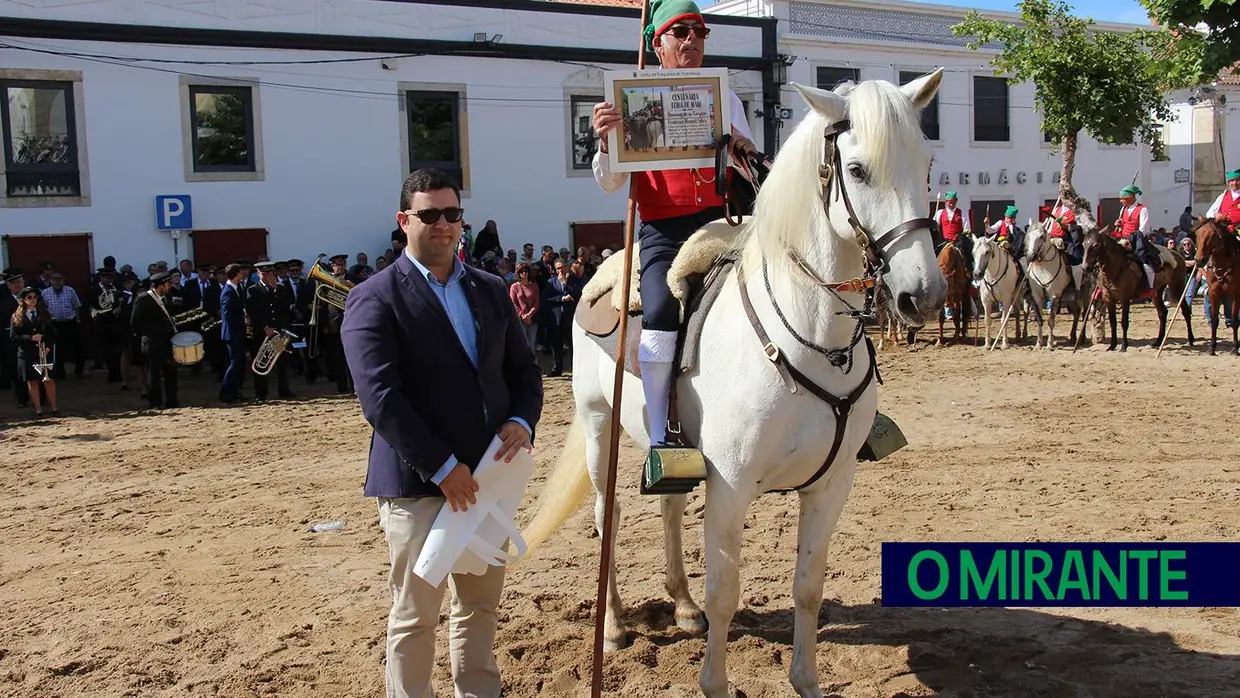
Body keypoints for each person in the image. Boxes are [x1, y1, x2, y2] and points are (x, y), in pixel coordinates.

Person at [340, 167, 543, 698]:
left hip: (485, 481)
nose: (443, 225)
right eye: (430, 215)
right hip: (418, 486)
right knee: (415, 614)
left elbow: (522, 371)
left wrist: (521, 421)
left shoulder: (491, 289)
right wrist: (442, 467)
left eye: (452, 214)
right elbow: (380, 400)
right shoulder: (374, 297)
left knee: (478, 607)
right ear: (404, 221)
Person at [590, 0, 757, 454]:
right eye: (680, 32)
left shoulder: (727, 98)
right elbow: (609, 183)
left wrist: (743, 151)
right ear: (658, 45)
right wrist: (606, 141)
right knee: (662, 310)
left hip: (724, 222)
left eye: (699, 32)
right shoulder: (626, 102)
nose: (691, 41)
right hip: (664, 230)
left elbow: (751, 173)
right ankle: (663, 433)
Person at [244, 261, 295, 401]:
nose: (267, 276)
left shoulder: (281, 288)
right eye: (263, 274)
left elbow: (287, 307)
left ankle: (284, 390)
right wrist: (264, 327)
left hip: (278, 333)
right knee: (261, 362)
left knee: (281, 361)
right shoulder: (252, 290)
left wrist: (275, 289)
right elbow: (252, 311)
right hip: (262, 333)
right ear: (258, 274)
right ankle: (260, 393)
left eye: (270, 273)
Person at [128, 271, 180, 409]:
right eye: (168, 284)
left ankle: (172, 400)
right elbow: (135, 322)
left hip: (167, 340)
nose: (170, 286)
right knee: (154, 373)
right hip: (152, 341)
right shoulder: (144, 298)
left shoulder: (166, 297)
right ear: (160, 285)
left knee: (171, 371)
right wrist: (145, 336)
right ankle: (155, 402)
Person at [10, 286, 58, 416]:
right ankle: (38, 409)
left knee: (48, 380)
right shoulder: (17, 316)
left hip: (43, 352)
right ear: (24, 300)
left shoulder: (44, 314)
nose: (33, 300)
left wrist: (47, 348)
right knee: (32, 381)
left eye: (35, 297)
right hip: (27, 353)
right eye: (29, 297)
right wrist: (30, 338)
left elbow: (52, 334)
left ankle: (54, 407)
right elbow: (13, 336)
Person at [1114, 185, 1158, 289]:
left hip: (1137, 240)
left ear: (1131, 198)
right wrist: (1118, 225)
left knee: (1145, 261)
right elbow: (1122, 226)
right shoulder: (1123, 209)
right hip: (1123, 239)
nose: (1121, 201)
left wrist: (1131, 239)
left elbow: (1143, 229)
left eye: (1123, 199)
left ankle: (1150, 286)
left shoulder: (1142, 210)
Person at [1046, 201, 1084, 290]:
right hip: (1053, 238)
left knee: (1076, 259)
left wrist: (1067, 227)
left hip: (1067, 240)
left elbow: (1080, 228)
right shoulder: (1056, 210)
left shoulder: (1076, 211)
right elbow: (1051, 225)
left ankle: (1077, 286)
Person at [1206, 169, 1240, 233]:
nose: (1234, 183)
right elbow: (1209, 213)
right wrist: (1216, 215)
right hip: (1224, 230)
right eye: (1232, 181)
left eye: (1238, 180)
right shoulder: (1223, 196)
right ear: (1229, 182)